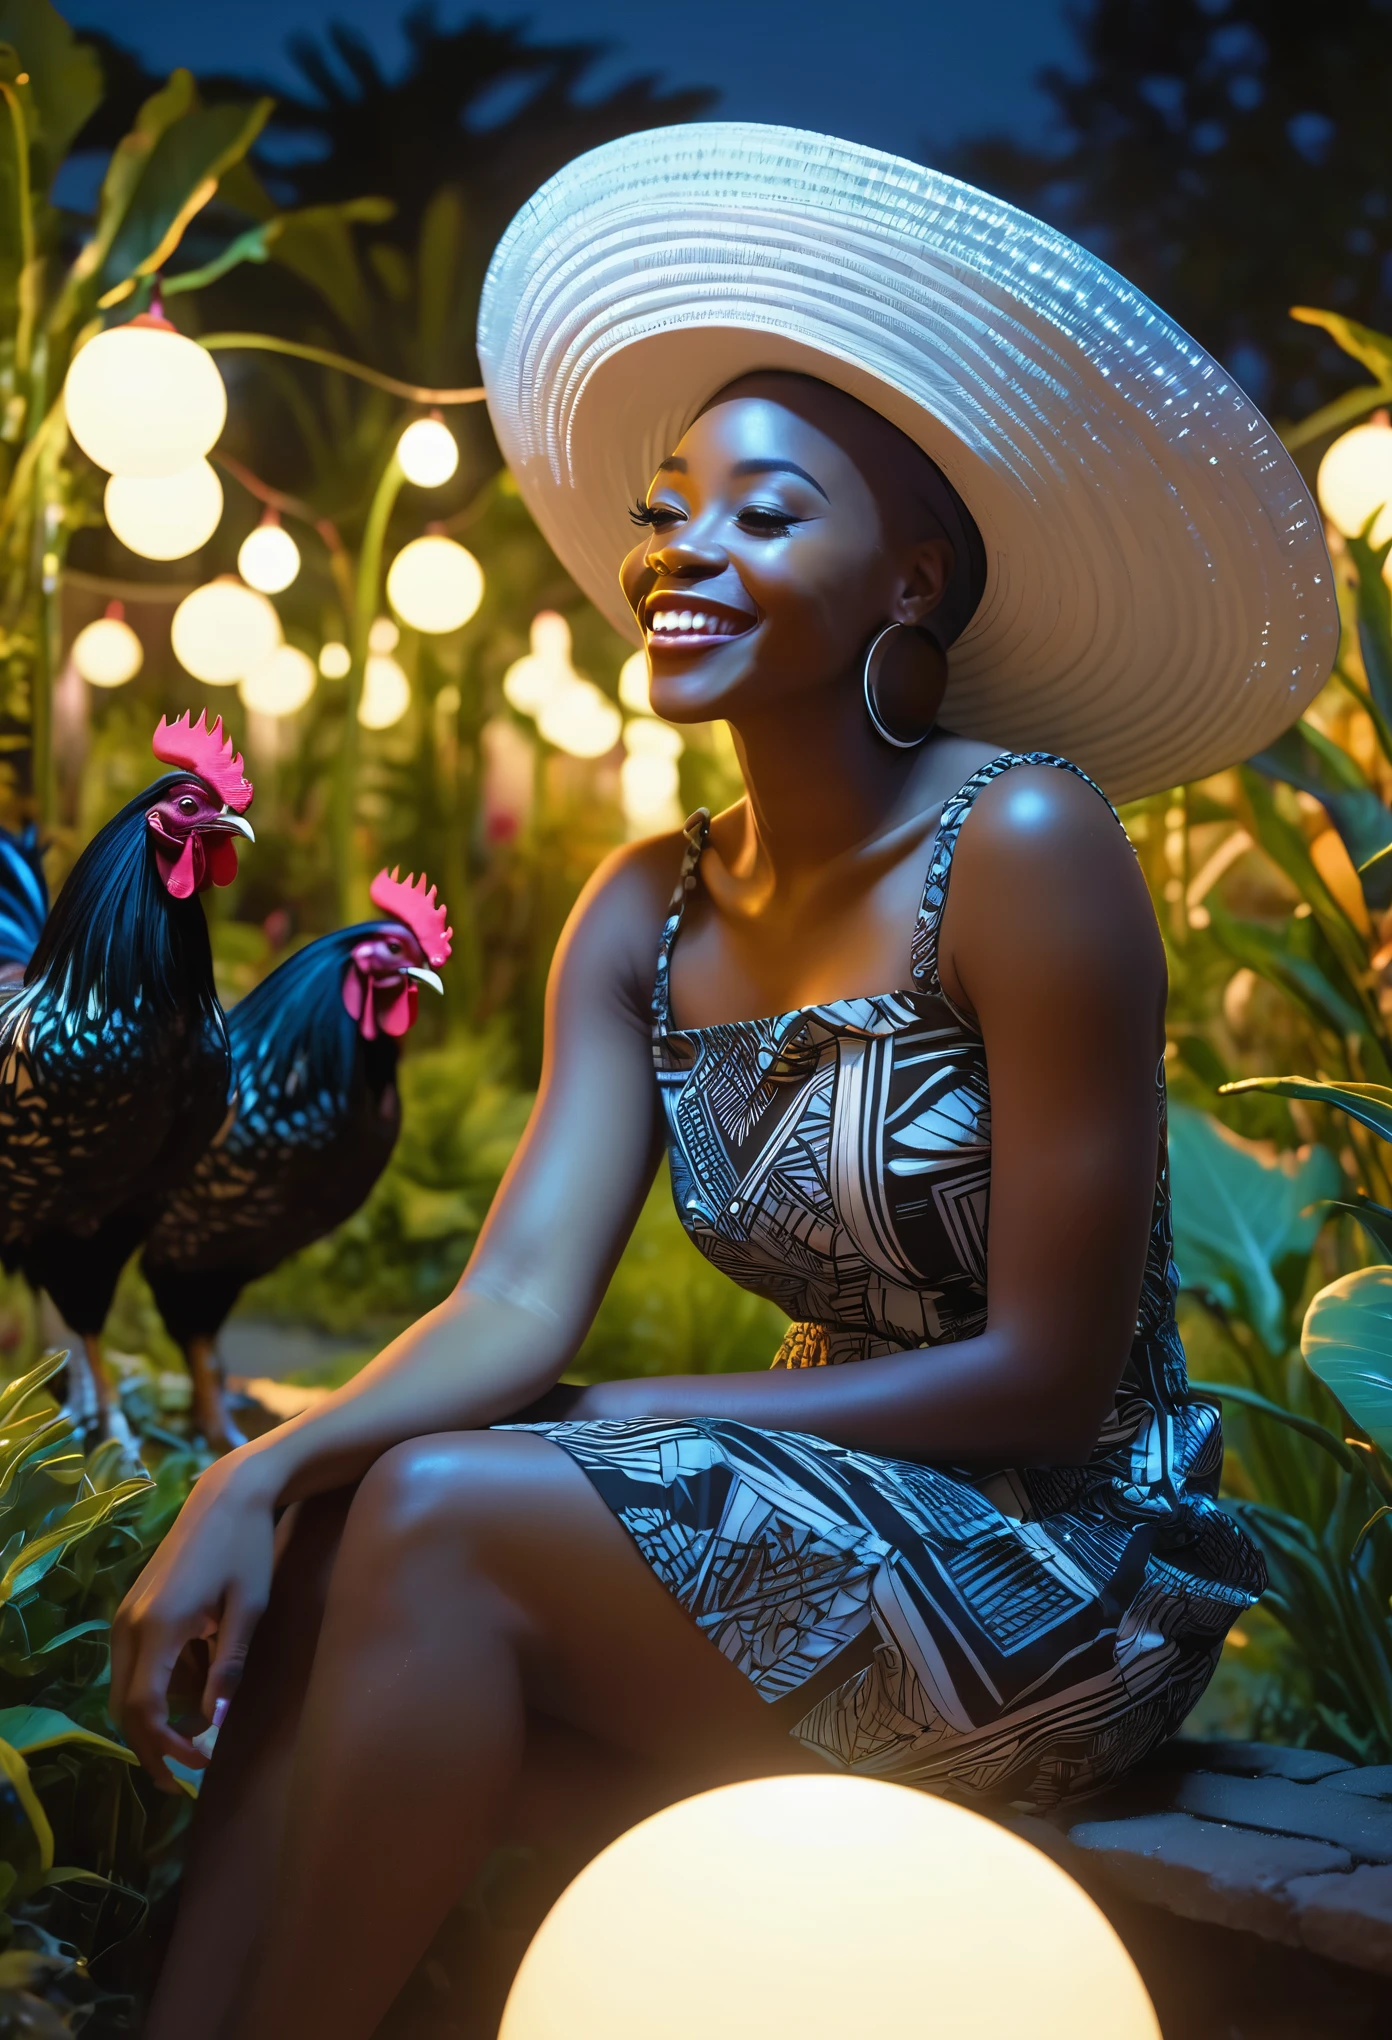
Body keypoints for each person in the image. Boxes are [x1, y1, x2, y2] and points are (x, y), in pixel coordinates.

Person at [114, 124, 1336, 2040]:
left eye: (766, 518)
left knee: (435, 1511)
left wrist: (586, 1420)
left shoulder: (1020, 846)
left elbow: (1049, 1378)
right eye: (673, 509)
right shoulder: (642, 909)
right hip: (762, 1517)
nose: (685, 552)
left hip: (1049, 1566)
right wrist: (263, 1471)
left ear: (907, 583)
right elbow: (512, 1295)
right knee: (362, 1513)